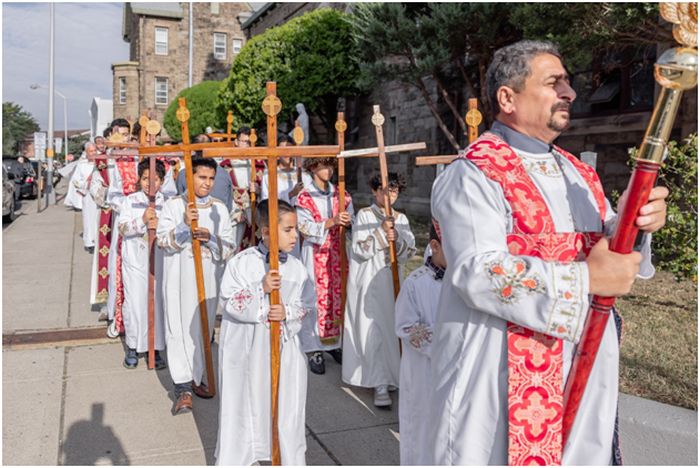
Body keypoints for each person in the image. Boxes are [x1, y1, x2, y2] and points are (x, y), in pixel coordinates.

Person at [427, 40, 668, 465]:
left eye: (569, 84)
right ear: (507, 98)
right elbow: (476, 272)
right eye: (554, 82)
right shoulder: (473, 173)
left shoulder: (579, 172)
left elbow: (606, 248)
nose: (570, 93)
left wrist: (636, 220)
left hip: (582, 362)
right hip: (502, 371)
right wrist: (586, 280)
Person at [215, 199, 314, 466]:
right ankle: (246, 453)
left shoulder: (296, 268)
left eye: (296, 230)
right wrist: (261, 288)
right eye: (289, 229)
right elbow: (229, 302)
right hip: (248, 350)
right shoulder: (242, 263)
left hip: (284, 349)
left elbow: (306, 304)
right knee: (247, 403)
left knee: (285, 407)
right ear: (266, 231)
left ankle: (282, 454)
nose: (295, 236)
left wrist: (288, 313)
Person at [157, 156, 236, 414]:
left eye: (211, 178)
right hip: (179, 278)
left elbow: (229, 247)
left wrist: (210, 238)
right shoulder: (172, 206)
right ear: (189, 178)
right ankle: (182, 388)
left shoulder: (219, 209)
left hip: (207, 278)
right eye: (202, 177)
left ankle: (200, 376)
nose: (207, 183)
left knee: (202, 329)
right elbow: (162, 241)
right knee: (178, 328)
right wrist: (183, 225)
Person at [341, 172, 416, 407]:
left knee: (393, 329)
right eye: (384, 190)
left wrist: (398, 240)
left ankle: (393, 375)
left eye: (394, 191)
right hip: (369, 281)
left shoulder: (401, 218)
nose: (389, 195)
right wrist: (381, 232)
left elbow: (410, 252)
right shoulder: (365, 215)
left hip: (393, 281)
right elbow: (360, 250)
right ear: (375, 191)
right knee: (374, 330)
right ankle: (379, 382)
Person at [295, 157, 353, 374]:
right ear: (312, 168)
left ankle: (334, 344)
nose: (328, 170)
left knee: (337, 296)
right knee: (315, 296)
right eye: (322, 166)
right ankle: (314, 348)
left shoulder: (343, 193)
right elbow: (304, 227)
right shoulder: (305, 197)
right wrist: (331, 222)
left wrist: (349, 222)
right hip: (315, 253)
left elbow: (352, 220)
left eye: (330, 166)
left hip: (338, 253)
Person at [394, 224, 445, 465]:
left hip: (453, 369)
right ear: (434, 246)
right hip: (423, 371)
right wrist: (447, 338)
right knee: (422, 426)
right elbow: (405, 327)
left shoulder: (461, 282)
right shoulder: (415, 283)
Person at [118, 159, 167, 370]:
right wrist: (142, 221)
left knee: (157, 304)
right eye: (145, 178)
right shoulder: (130, 201)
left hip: (160, 261)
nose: (150, 183)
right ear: (139, 179)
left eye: (155, 179)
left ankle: (154, 348)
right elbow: (122, 228)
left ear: (162, 181)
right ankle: (133, 345)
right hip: (136, 262)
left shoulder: (169, 202)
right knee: (136, 304)